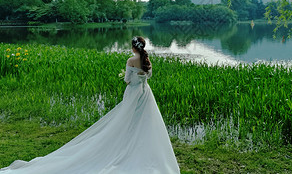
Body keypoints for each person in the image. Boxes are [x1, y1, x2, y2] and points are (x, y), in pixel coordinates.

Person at [1, 36, 180, 174]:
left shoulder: (130, 60)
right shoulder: (148, 61)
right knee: (145, 120)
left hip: (133, 92)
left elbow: (127, 79)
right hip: (145, 93)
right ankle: (140, 145)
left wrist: (128, 78)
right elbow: (147, 77)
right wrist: (139, 77)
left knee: (126, 119)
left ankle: (124, 143)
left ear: (133, 47)